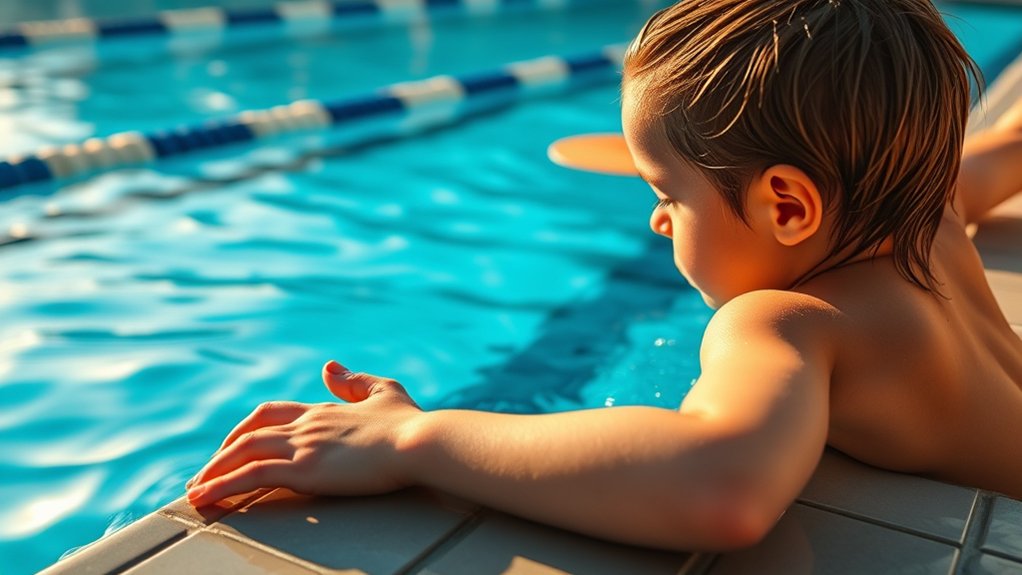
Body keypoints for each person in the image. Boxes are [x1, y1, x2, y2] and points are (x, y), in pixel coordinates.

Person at [185, 0, 1022, 551]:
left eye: (668, 194)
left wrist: (416, 438)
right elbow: (1005, 154)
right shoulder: (931, 209)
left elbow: (721, 485)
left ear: (791, 208)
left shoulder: (789, 319)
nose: (656, 219)